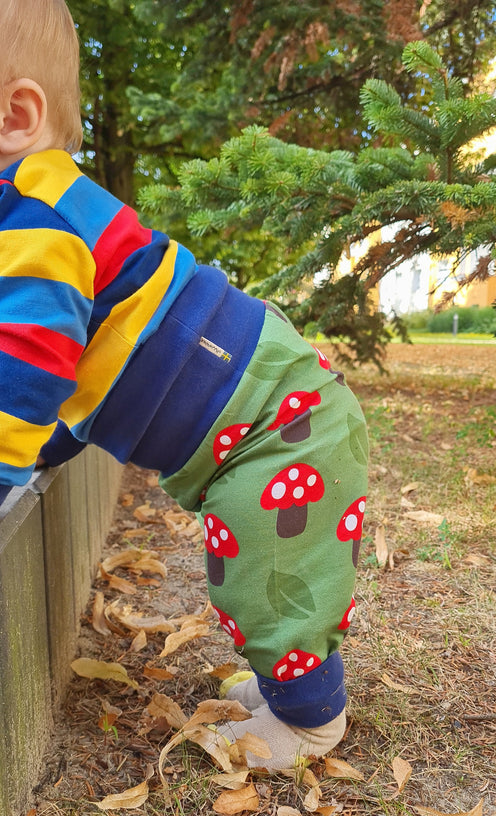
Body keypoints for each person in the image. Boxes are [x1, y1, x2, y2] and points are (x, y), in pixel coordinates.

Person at [0, 0, 368, 770]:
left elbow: (29, 363)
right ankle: (287, 691)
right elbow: (78, 371)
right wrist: (38, 452)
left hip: (277, 426)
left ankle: (310, 721)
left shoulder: (33, 217)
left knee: (269, 584)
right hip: (275, 410)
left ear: (15, 116)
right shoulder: (46, 208)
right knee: (262, 578)